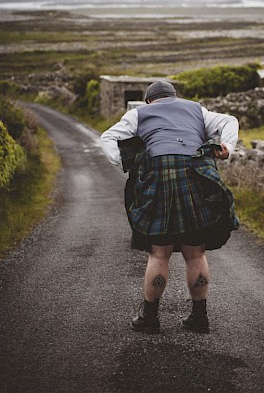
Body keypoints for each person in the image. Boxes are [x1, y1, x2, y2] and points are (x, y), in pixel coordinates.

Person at [98, 78, 239, 335]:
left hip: (158, 173)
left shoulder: (138, 112)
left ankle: (150, 318)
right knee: (195, 252)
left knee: (159, 253)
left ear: (149, 100)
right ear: (174, 96)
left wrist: (126, 163)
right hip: (195, 172)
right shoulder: (197, 109)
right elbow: (230, 120)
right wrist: (227, 146)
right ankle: (199, 318)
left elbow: (108, 138)